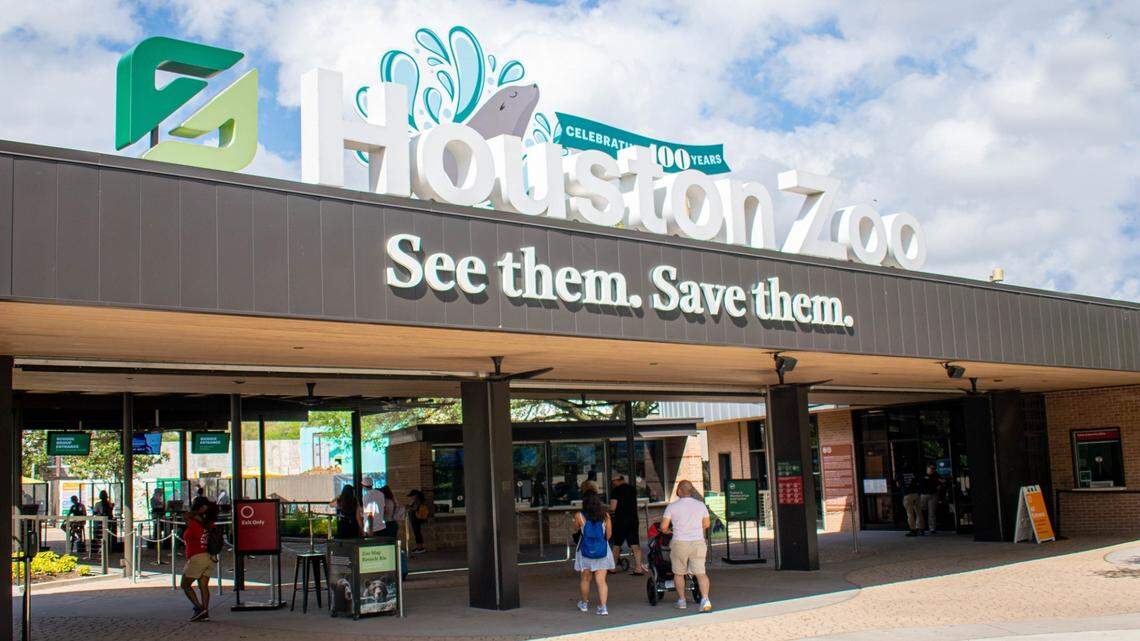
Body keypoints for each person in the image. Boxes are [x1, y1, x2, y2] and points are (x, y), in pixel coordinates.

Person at [660, 480, 712, 612]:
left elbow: (663, 527)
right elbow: (706, 524)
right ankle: (705, 599)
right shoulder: (701, 505)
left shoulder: (672, 506)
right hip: (698, 542)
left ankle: (682, 600)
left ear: (679, 491)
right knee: (701, 573)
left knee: (678, 572)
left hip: (680, 542)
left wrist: (668, 531)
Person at [573, 491, 614, 616]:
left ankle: (584, 604)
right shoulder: (606, 516)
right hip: (602, 551)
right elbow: (608, 535)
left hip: (585, 551)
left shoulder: (579, 515)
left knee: (585, 579)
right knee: (601, 580)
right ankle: (603, 607)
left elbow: (575, 529)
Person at [181, 497, 219, 622]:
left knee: (185, 585)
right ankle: (205, 612)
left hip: (197, 557)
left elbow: (185, 515)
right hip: (210, 557)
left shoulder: (192, 522)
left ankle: (199, 608)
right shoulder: (210, 522)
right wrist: (203, 510)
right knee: (203, 586)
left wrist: (196, 511)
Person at [609, 475, 646, 575]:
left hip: (620, 521)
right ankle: (639, 568)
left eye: (613, 482)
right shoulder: (632, 489)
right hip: (633, 519)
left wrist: (608, 512)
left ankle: (612, 568)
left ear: (618, 480)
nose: (613, 484)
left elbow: (613, 507)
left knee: (617, 544)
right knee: (635, 544)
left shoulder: (616, 491)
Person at [920, 463, 942, 535]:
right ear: (927, 468)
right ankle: (920, 528)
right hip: (924, 495)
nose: (932, 470)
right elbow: (920, 485)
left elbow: (941, 482)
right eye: (931, 468)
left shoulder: (936, 475)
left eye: (934, 469)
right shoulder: (923, 475)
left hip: (933, 495)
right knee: (921, 512)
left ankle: (932, 529)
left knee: (932, 512)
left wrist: (939, 486)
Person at [901, 470, 924, 537]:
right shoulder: (914, 473)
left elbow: (898, 484)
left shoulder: (900, 474)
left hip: (907, 495)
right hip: (916, 494)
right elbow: (919, 482)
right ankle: (921, 528)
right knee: (919, 512)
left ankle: (913, 530)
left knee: (910, 513)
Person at [406, 489, 430, 554]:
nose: (411, 497)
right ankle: (419, 547)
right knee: (417, 533)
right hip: (416, 519)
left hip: (416, 519)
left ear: (415, 495)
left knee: (417, 533)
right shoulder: (418, 501)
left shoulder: (417, 501)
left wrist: (408, 507)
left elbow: (414, 509)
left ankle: (420, 548)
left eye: (412, 496)